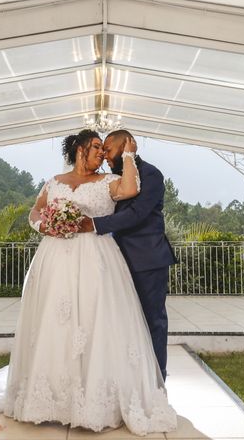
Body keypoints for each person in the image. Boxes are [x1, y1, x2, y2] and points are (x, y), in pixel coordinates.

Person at [0, 129, 177, 436]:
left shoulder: (111, 180)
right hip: (56, 261)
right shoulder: (54, 182)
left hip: (101, 260)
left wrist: (127, 154)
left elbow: (132, 196)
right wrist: (44, 225)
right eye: (97, 147)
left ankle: (135, 387)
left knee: (103, 323)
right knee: (56, 324)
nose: (102, 153)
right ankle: (55, 397)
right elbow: (35, 211)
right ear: (79, 149)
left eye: (105, 148)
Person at [79, 130, 177, 381]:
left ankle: (157, 380)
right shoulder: (113, 177)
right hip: (115, 262)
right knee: (121, 322)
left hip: (147, 261)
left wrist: (94, 224)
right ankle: (129, 378)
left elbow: (137, 214)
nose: (105, 156)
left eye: (109, 150)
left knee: (152, 321)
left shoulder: (152, 174)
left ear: (126, 147)